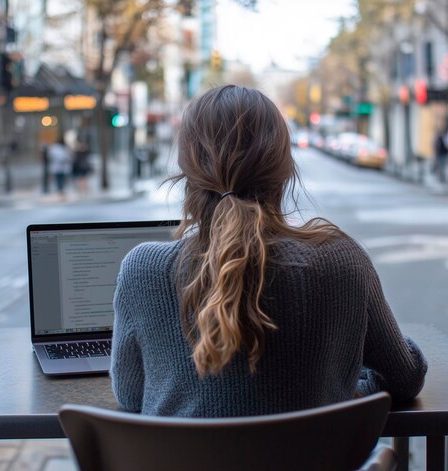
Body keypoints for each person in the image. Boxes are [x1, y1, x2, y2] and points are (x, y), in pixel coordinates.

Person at [111, 85, 427, 418]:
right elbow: (404, 378)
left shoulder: (142, 270)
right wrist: (345, 387)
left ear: (187, 172)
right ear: (285, 171)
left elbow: (131, 395)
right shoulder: (343, 261)